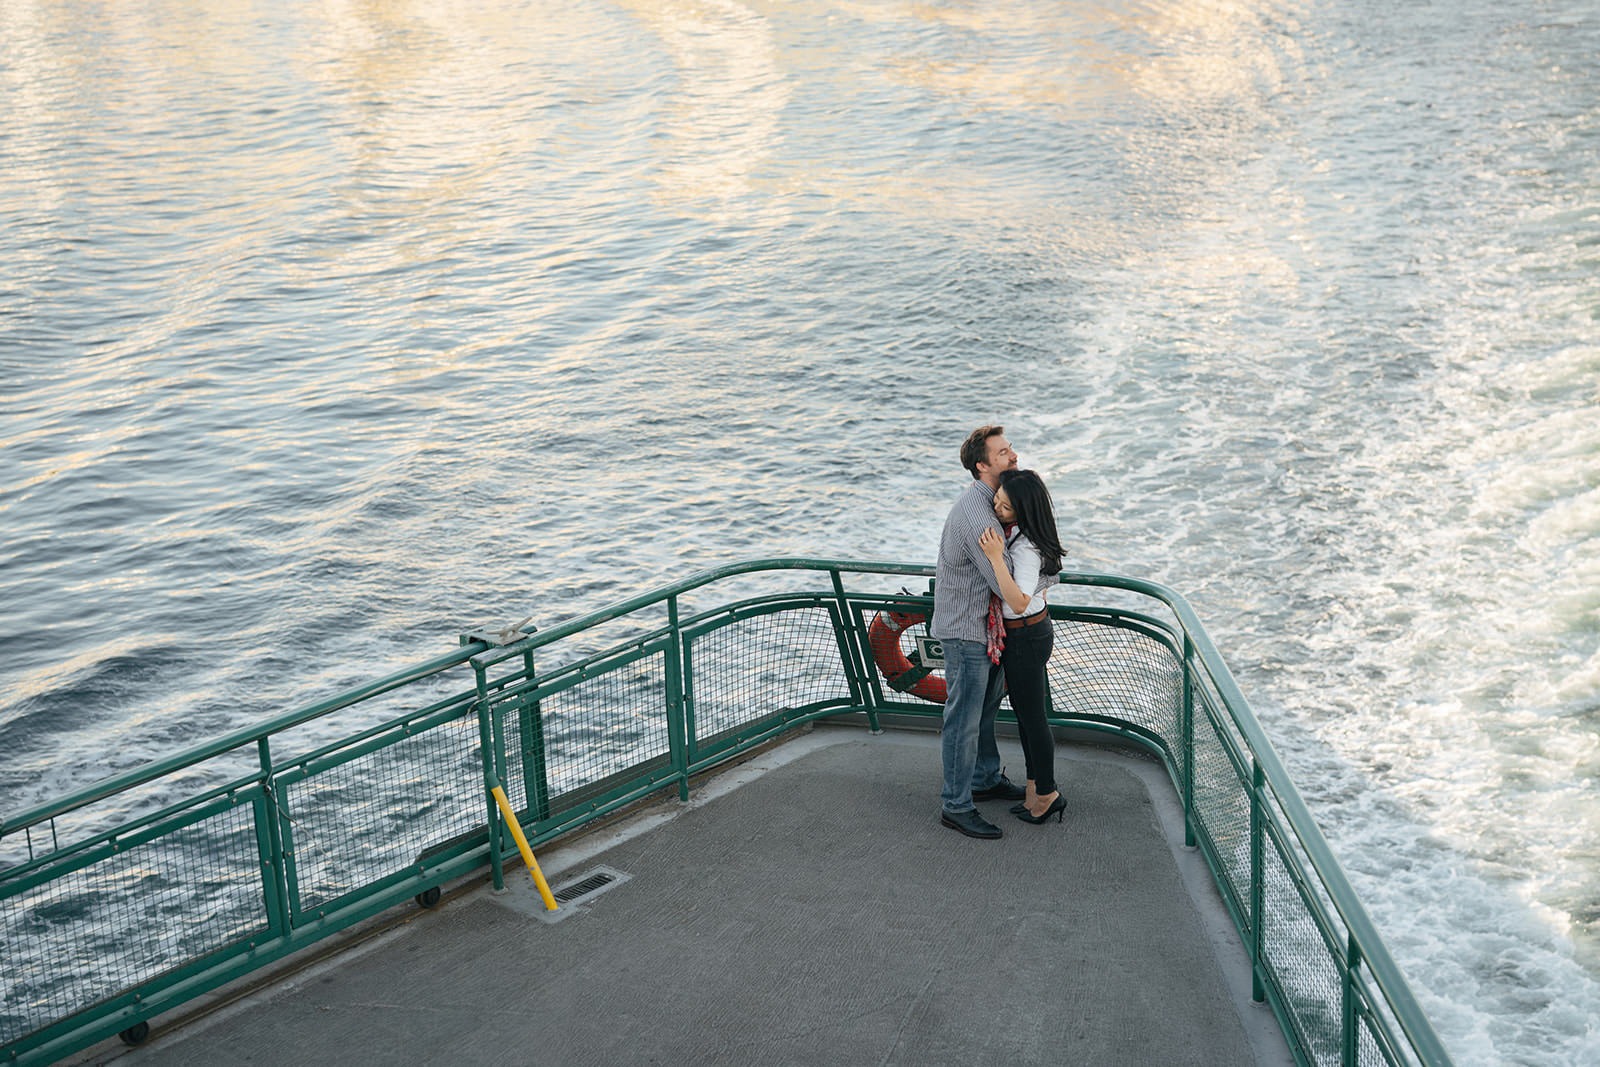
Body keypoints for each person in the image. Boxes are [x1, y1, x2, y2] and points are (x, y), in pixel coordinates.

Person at [932, 425, 1027, 839]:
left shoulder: (991, 504)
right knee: (963, 721)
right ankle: (956, 805)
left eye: (1010, 449)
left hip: (982, 631)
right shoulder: (976, 516)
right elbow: (999, 580)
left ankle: (984, 779)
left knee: (984, 713)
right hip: (966, 632)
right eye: (1004, 452)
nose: (1014, 456)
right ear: (982, 465)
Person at [980, 469, 1066, 824]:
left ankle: (1047, 794)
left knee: (1033, 719)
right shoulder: (1019, 532)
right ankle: (1035, 789)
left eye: (1005, 507)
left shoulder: (1027, 548)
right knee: (1024, 716)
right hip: (1024, 634)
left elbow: (1017, 601)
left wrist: (996, 558)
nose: (997, 509)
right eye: (996, 501)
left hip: (1026, 635)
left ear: (1023, 511)